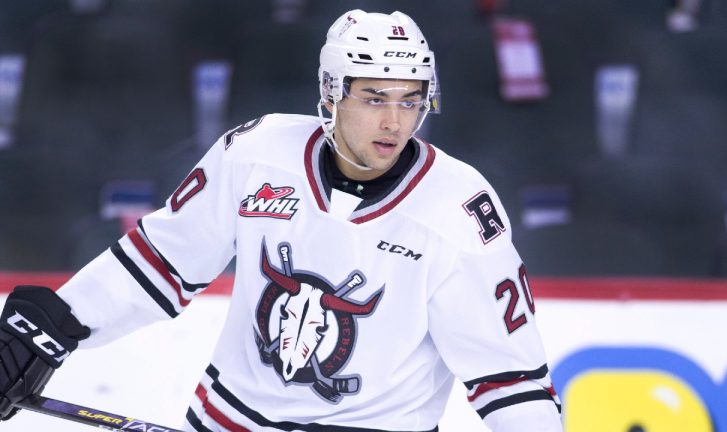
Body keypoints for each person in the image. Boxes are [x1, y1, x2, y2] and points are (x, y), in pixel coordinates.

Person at [0, 9, 562, 431]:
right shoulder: (257, 153)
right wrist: (51, 328)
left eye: (412, 100)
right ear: (330, 93)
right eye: (374, 98)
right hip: (230, 422)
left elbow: (511, 381)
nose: (396, 121)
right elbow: (162, 263)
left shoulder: (459, 209)